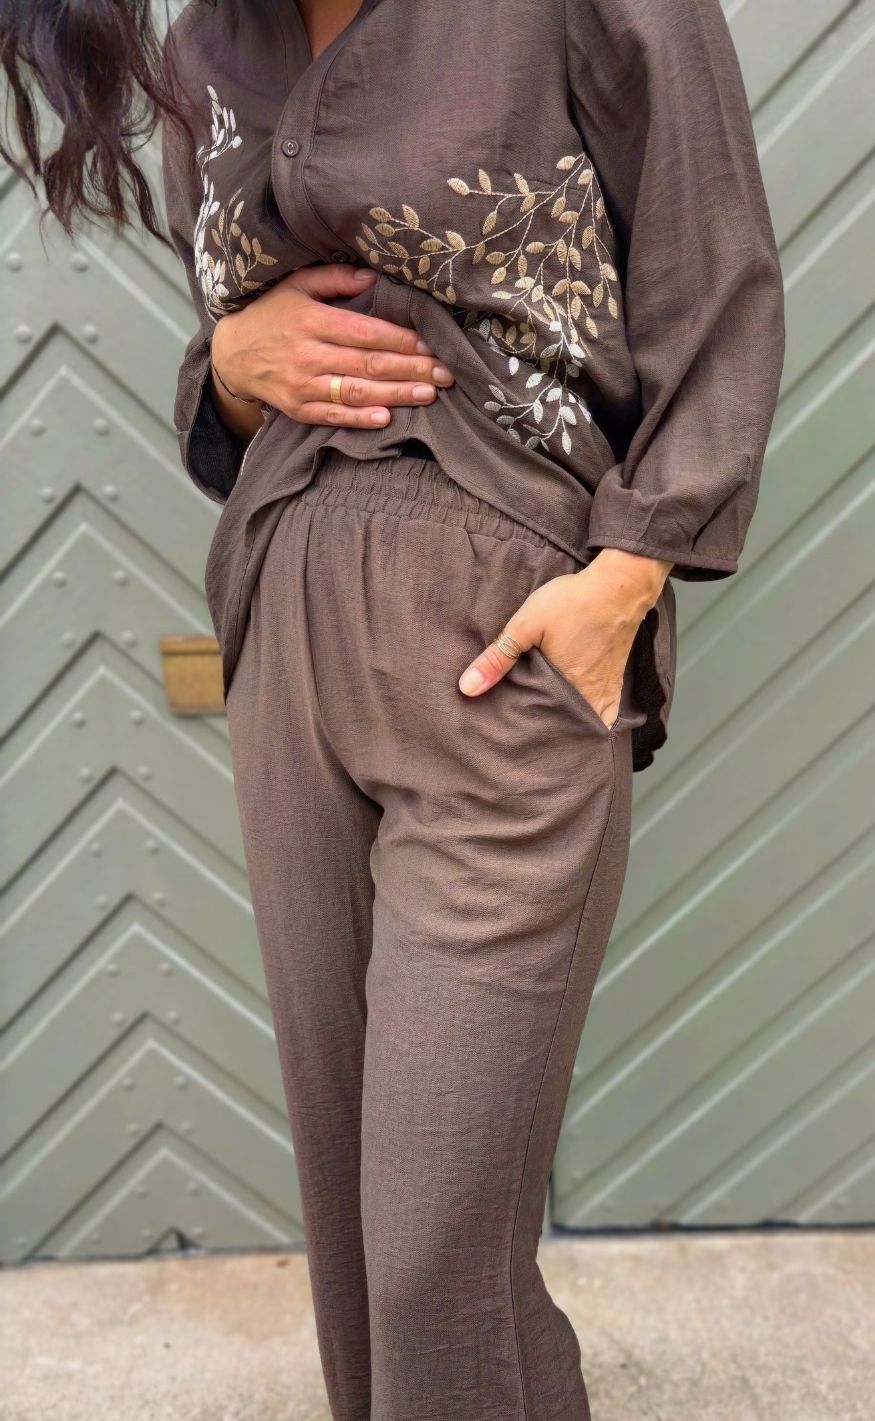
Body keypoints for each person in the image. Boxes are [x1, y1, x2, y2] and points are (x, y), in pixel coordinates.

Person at [2, 1, 785, 1415]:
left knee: (438, 1265)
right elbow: (237, 361)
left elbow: (715, 272)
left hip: (499, 647)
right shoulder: (208, 52)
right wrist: (229, 366)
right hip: (287, 633)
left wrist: (627, 575)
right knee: (360, 1252)